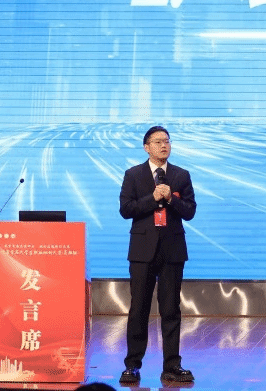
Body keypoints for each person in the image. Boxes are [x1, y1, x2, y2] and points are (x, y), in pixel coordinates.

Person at [118, 126, 197, 385]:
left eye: (167, 141)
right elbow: (126, 209)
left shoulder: (181, 175)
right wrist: (152, 199)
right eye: (158, 141)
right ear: (146, 147)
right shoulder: (133, 175)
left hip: (172, 251)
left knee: (171, 309)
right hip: (142, 251)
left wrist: (171, 199)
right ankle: (132, 365)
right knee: (138, 309)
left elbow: (190, 211)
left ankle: (172, 365)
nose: (164, 145)